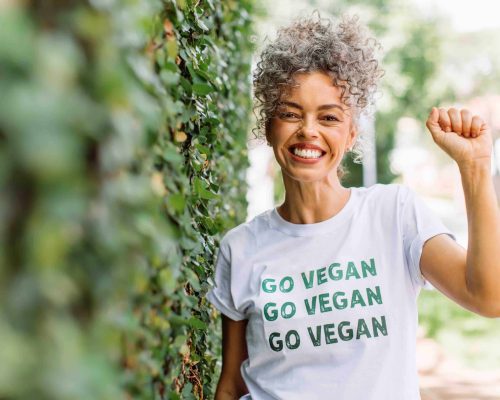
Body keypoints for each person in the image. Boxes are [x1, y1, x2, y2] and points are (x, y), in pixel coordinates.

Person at [205, 12, 500, 400]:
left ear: (351, 134)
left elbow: (487, 297)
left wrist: (475, 168)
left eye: (328, 117)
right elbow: (231, 385)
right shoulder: (240, 247)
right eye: (290, 113)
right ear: (269, 127)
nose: (308, 130)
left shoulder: (394, 213)